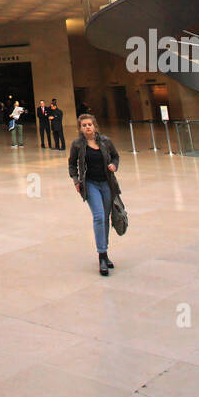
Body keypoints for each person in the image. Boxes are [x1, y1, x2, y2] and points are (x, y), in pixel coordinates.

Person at [69, 113, 121, 276]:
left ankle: (104, 253)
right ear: (80, 128)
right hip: (90, 184)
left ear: (94, 126)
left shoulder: (105, 141)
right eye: (84, 125)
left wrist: (114, 165)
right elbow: (72, 164)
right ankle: (101, 255)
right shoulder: (77, 144)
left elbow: (115, 156)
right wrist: (76, 181)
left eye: (89, 124)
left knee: (105, 218)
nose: (87, 127)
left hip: (107, 183)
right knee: (98, 216)